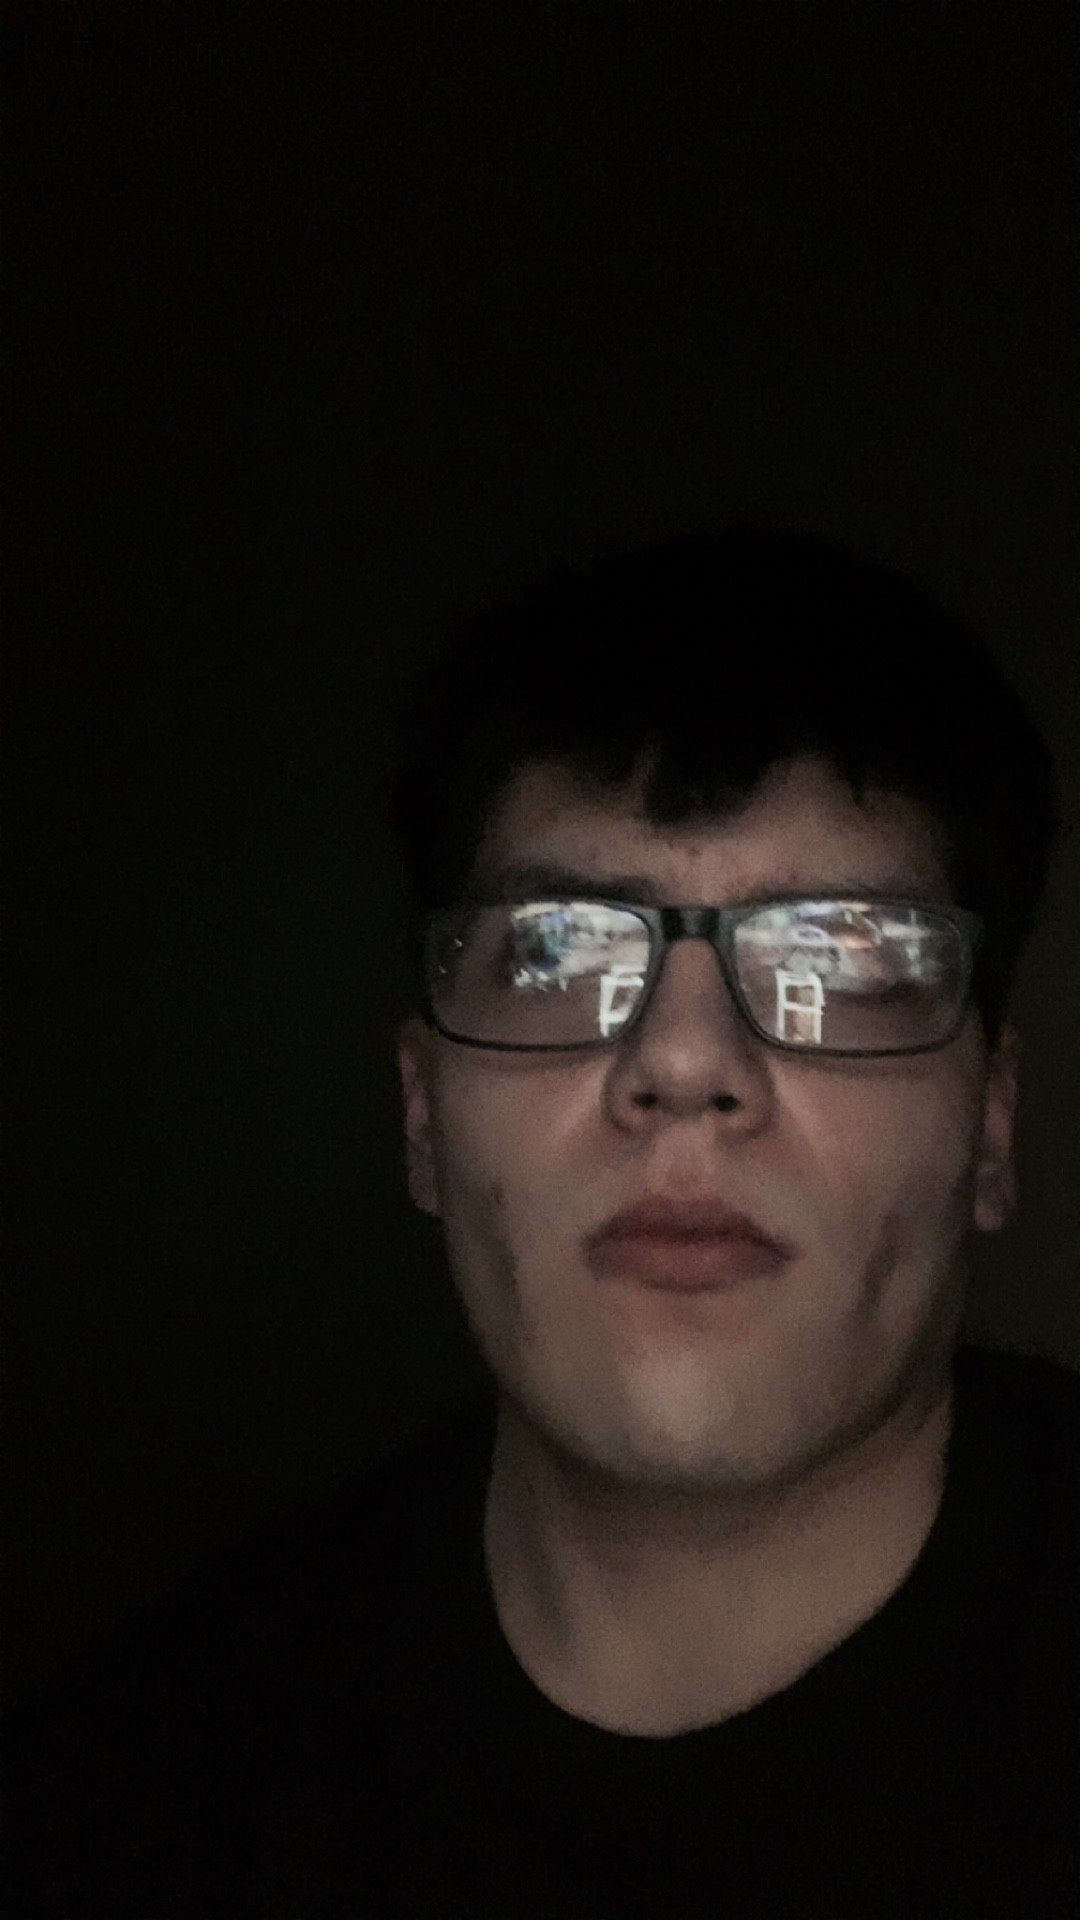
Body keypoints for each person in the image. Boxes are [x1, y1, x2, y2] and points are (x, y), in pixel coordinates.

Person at [12, 529, 1080, 1916]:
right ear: (421, 1113)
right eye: (553, 950)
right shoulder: (131, 1800)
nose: (683, 1063)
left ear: (991, 1123)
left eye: (843, 953)